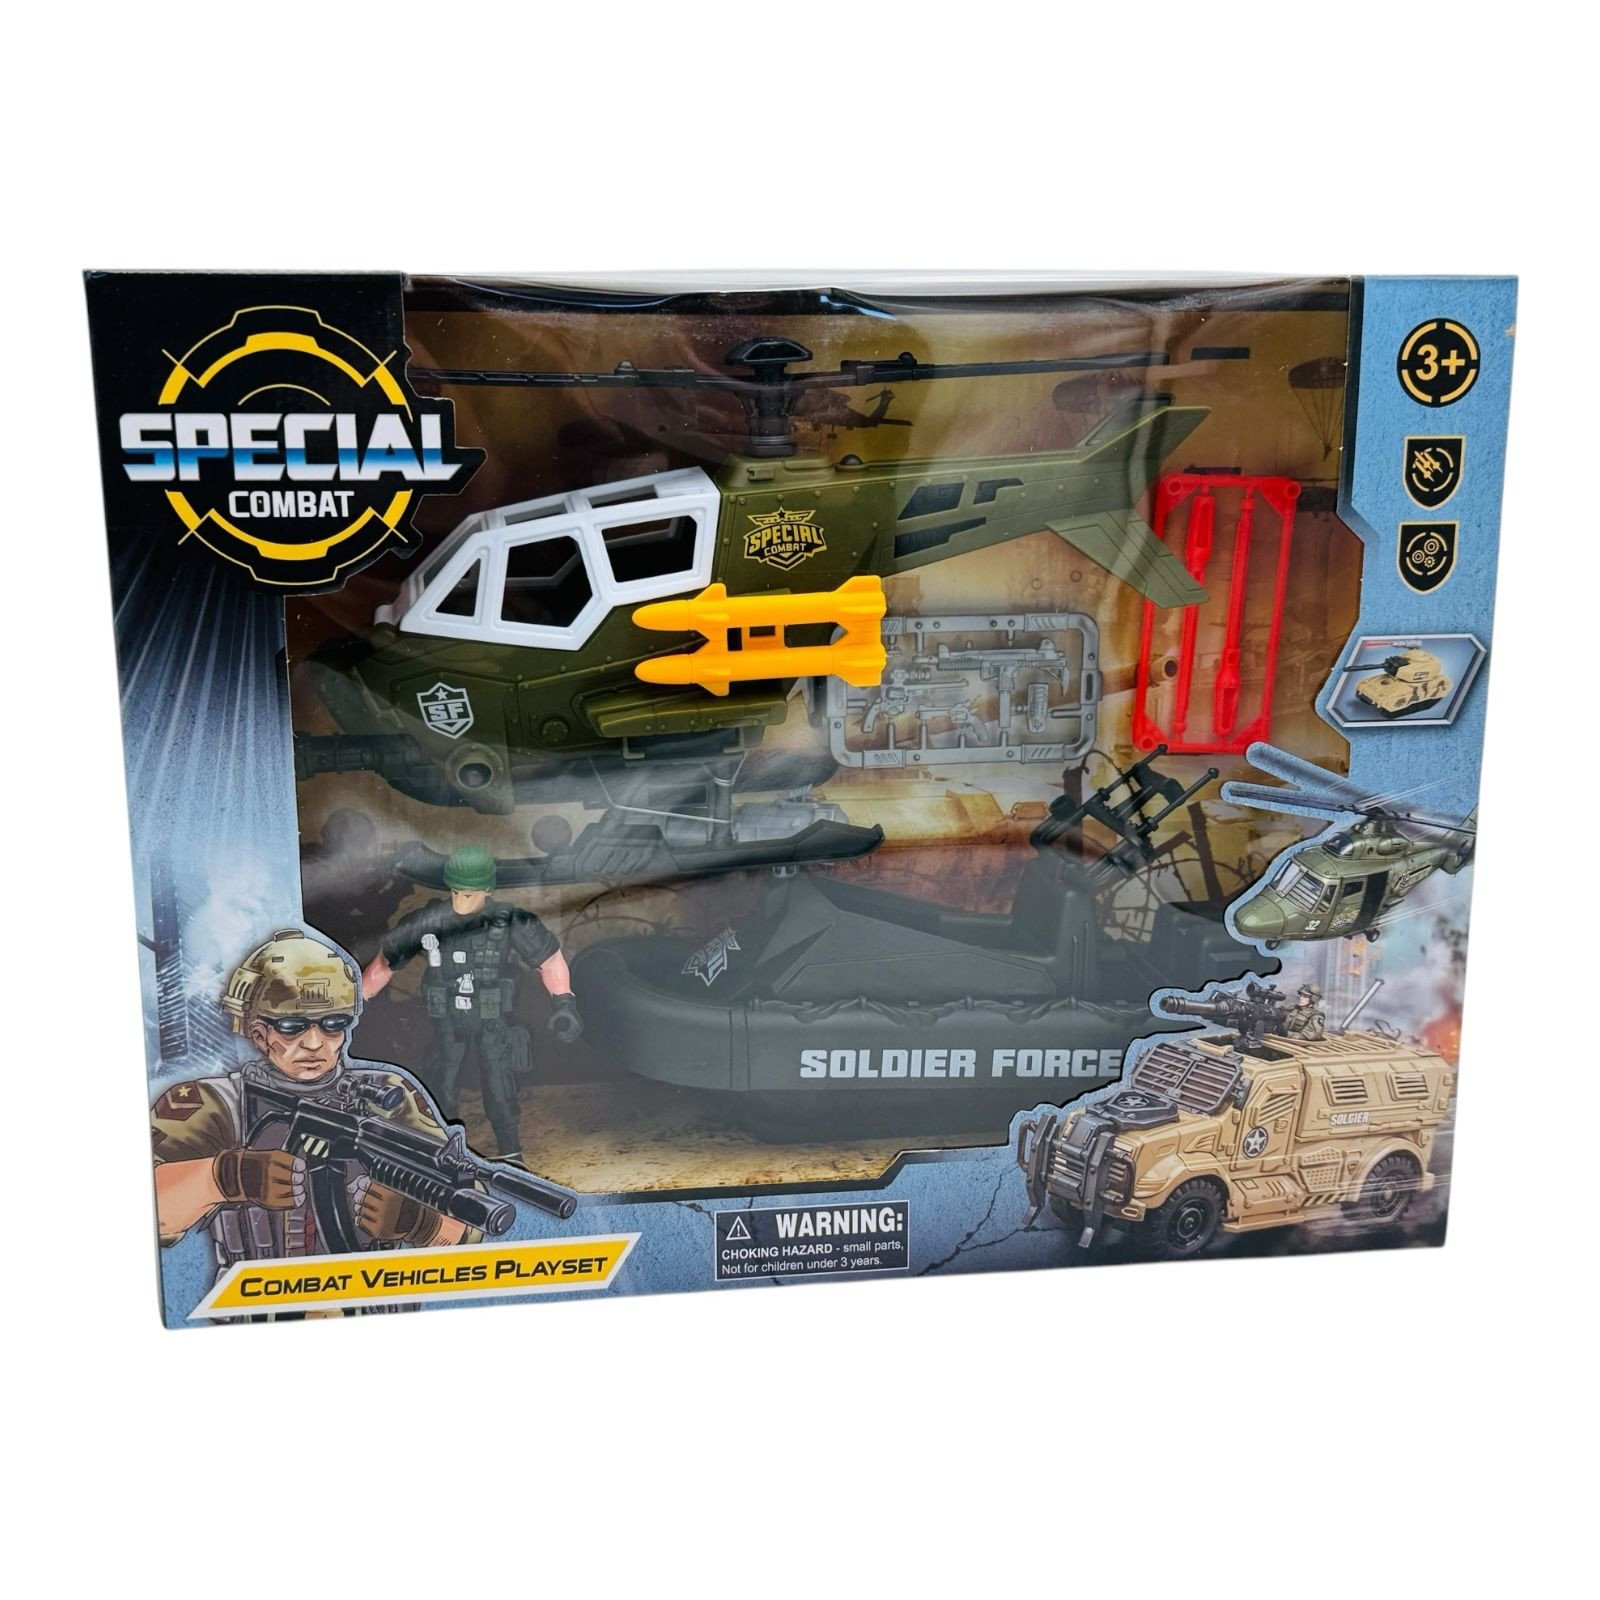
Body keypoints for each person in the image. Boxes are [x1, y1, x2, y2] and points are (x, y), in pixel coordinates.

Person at [152, 929, 470, 1279]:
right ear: (259, 1033)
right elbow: (152, 1213)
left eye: (333, 1024)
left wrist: (421, 1223)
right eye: (293, 1026)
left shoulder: (387, 1097)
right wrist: (228, 1176)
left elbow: (473, 1223)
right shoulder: (217, 1105)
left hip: (372, 1296)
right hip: (260, 1301)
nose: (315, 1043)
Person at [362, 845, 582, 1162]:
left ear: (487, 890)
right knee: (441, 1084)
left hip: (491, 1018)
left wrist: (564, 1002)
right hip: (447, 1020)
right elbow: (385, 964)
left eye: (468, 894)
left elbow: (549, 960)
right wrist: (355, 1003)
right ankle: (443, 1149)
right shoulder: (429, 920)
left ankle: (511, 1153)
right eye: (455, 892)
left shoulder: (509, 921)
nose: (460, 902)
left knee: (499, 1083)